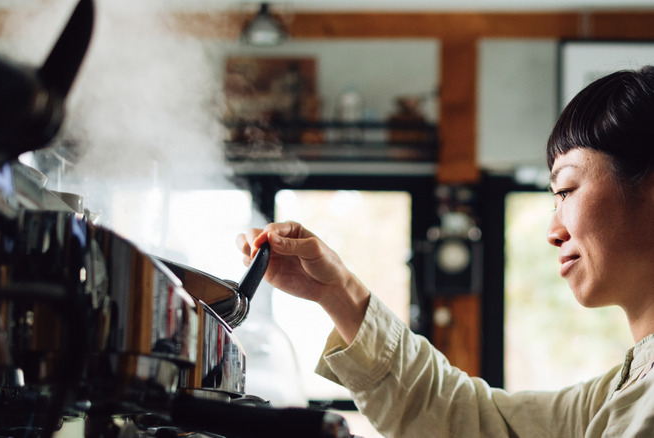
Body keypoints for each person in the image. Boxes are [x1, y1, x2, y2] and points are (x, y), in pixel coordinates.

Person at [236, 65, 654, 437]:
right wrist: (336, 291)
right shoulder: (616, 395)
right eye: (553, 199)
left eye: (566, 190)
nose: (553, 231)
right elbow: (469, 420)